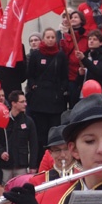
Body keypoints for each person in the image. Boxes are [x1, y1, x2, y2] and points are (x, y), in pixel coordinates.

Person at [27, 28, 69, 160]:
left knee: (54, 132)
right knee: (41, 134)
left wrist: (62, 90)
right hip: (39, 101)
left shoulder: (60, 55)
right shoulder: (36, 55)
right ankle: (40, 160)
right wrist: (34, 87)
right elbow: (30, 74)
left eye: (52, 37)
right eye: (48, 37)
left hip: (55, 100)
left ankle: (54, 158)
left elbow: (64, 76)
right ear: (43, 39)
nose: (50, 40)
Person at [0, 91, 38, 183]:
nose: (25, 104)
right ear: (13, 103)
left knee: (22, 189)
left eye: (25, 101)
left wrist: (33, 165)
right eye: (22, 102)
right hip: (6, 165)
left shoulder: (28, 121)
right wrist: (1, 152)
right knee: (5, 190)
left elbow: (34, 144)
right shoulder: (2, 119)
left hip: (22, 164)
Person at [60, 10, 89, 109]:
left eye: (76, 17)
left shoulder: (86, 36)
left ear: (82, 20)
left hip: (80, 75)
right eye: (71, 17)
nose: (73, 19)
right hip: (69, 74)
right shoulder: (66, 36)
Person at [76, 30, 102, 95]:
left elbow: (98, 71)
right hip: (85, 92)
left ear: (101, 43)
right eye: (89, 39)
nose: (91, 41)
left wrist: (84, 59)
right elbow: (79, 80)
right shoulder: (85, 55)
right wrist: (80, 74)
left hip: (99, 92)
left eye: (95, 39)